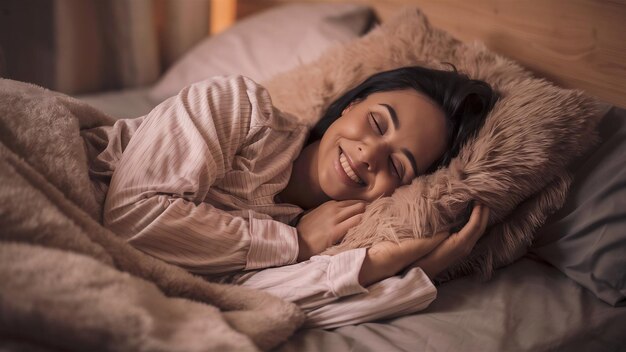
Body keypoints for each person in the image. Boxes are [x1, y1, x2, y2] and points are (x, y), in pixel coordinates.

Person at [86, 66, 497, 329]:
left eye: (399, 166)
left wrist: (414, 270)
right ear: (351, 106)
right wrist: (295, 244)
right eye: (376, 122)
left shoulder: (329, 237)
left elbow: (267, 308)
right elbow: (132, 218)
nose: (370, 154)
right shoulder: (239, 109)